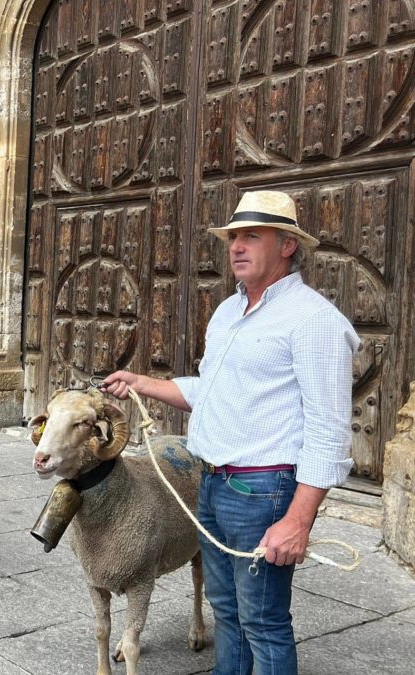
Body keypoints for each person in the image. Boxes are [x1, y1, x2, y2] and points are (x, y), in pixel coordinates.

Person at [102, 191, 358, 674]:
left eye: (251, 236)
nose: (237, 246)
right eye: (234, 236)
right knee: (227, 610)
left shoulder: (315, 320)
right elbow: (215, 390)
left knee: (262, 620)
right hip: (212, 482)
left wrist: (298, 521)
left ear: (286, 246)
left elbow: (328, 429)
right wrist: (144, 384)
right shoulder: (227, 312)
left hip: (263, 489)